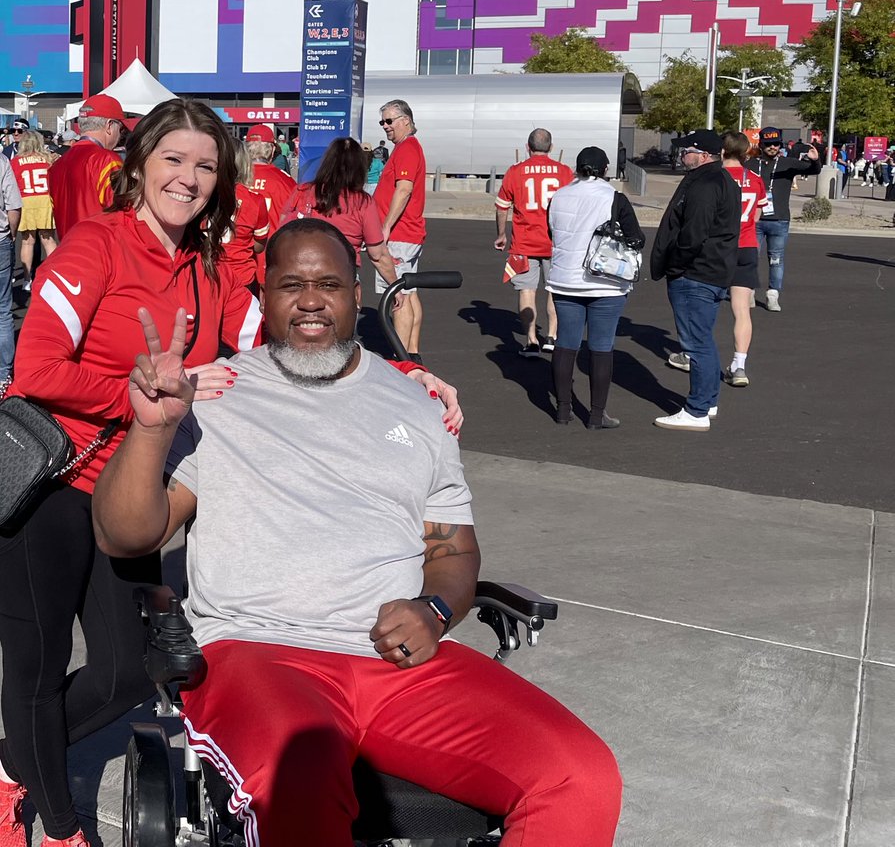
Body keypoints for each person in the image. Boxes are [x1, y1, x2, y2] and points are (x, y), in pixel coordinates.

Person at [91, 220, 622, 847]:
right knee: (302, 779)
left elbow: (451, 546)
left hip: (399, 665)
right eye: (291, 285)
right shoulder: (215, 397)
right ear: (264, 296)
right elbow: (124, 537)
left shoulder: (417, 405)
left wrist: (434, 608)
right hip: (259, 653)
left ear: (357, 295)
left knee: (580, 777)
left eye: (328, 285)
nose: (311, 300)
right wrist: (152, 429)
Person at [0, 99, 263, 847]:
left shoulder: (210, 268)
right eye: (174, 159)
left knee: (122, 675)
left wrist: (402, 371)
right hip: (46, 484)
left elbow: (280, 333)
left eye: (205, 166)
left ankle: (12, 762)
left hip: (127, 494)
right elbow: (34, 367)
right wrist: (134, 395)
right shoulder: (95, 246)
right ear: (139, 162)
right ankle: (56, 828)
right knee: (38, 669)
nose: (187, 177)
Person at [650, 129, 740, 432]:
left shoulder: (706, 183)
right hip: (711, 271)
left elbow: (694, 233)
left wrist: (676, 264)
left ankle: (697, 409)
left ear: (702, 155)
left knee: (696, 343)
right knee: (703, 339)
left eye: (685, 150)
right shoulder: (722, 180)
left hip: (696, 273)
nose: (680, 155)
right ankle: (708, 401)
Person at [546, 146, 644, 428]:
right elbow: (636, 238)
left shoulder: (560, 195)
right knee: (601, 347)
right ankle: (597, 414)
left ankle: (563, 409)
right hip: (606, 283)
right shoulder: (615, 198)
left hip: (565, 279)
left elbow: (552, 230)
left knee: (566, 344)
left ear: (577, 168)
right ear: (605, 170)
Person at [278, 137, 403, 302]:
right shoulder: (362, 202)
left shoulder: (303, 192)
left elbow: (281, 232)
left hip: (301, 275)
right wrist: (395, 287)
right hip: (339, 277)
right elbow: (378, 254)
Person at [494, 128, 574, 357]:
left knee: (527, 291)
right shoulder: (564, 172)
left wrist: (501, 233)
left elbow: (502, 206)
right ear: (551, 147)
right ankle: (552, 336)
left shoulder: (516, 171)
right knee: (555, 290)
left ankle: (530, 340)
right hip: (555, 242)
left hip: (524, 242)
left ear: (528, 147)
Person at [374, 100, 426, 361]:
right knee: (409, 292)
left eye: (389, 121)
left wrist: (385, 226)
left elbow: (403, 189)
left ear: (406, 120)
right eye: (382, 121)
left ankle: (401, 359)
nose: (385, 126)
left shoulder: (407, 148)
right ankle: (412, 353)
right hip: (406, 234)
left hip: (400, 235)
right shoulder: (404, 148)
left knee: (398, 296)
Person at [746, 127, 820, 311]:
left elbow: (813, 170)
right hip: (755, 220)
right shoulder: (751, 165)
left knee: (776, 259)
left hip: (779, 220)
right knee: (750, 257)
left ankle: (773, 295)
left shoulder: (787, 163)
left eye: (776, 143)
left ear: (781, 144)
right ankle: (749, 292)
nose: (772, 147)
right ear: (761, 144)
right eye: (768, 143)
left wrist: (815, 159)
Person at [720, 131, 768, 387]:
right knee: (741, 309)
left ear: (723, 151)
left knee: (705, 302)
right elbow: (759, 214)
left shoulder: (716, 177)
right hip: (747, 244)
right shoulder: (756, 179)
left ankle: (690, 353)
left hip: (719, 247)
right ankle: (740, 364)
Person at [47, 94, 126, 239]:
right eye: (120, 129)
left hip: (67, 250)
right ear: (109, 125)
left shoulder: (56, 165)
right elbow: (123, 214)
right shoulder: (107, 160)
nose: (120, 135)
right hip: (100, 252)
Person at [9, 130, 57, 294]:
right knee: (48, 240)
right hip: (45, 199)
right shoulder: (48, 158)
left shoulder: (16, 161)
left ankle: (28, 279)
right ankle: (54, 276)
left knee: (27, 241)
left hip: (26, 200)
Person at [220, 141, 269, 292]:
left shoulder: (202, 195)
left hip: (207, 275)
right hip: (241, 278)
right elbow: (259, 245)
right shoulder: (255, 200)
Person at [244, 124, 297, 232]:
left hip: (237, 247)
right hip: (272, 245)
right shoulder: (286, 182)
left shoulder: (233, 178)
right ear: (272, 150)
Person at [0, 153, 22, 386]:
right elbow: (13, 206)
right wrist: (11, 234)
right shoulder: (1, 162)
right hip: (0, 240)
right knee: (2, 311)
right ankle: (3, 374)